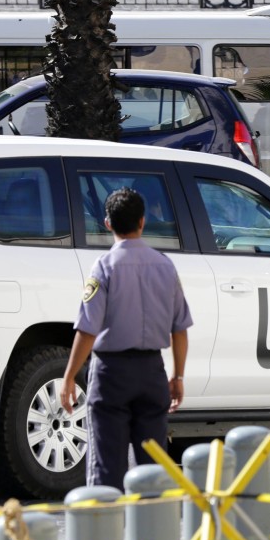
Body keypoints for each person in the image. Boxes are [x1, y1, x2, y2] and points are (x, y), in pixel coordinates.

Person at [60, 187, 192, 489]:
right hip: (152, 373)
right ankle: (152, 531)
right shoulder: (165, 266)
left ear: (107, 224)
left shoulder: (104, 266)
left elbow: (87, 329)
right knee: (153, 469)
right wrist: (178, 376)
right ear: (142, 222)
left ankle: (108, 533)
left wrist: (69, 377)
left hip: (111, 375)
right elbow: (180, 329)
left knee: (107, 467)